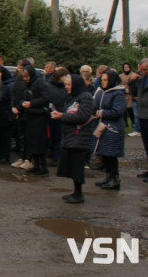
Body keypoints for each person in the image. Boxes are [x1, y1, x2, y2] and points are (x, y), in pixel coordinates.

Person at [51, 75, 96, 204]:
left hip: (79, 137)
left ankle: (79, 194)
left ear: (76, 85)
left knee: (77, 167)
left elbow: (82, 117)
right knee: (72, 166)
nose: (66, 87)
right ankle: (75, 192)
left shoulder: (86, 98)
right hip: (71, 136)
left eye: (69, 84)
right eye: (66, 84)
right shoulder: (74, 97)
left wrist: (62, 116)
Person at [92, 70, 126, 190]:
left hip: (113, 128)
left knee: (111, 155)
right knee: (104, 153)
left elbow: (118, 111)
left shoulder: (118, 94)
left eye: (105, 80)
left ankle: (115, 179)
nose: (103, 82)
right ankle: (108, 177)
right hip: (102, 127)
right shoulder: (102, 92)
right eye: (102, 80)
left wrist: (101, 113)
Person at [135, 58, 148, 183]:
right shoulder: (141, 80)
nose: (142, 72)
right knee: (147, 145)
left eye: (145, 70)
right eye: (141, 70)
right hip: (143, 115)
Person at [120, 62, 140, 136]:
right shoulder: (121, 76)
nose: (126, 68)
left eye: (127, 67)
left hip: (132, 95)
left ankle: (134, 124)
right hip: (124, 93)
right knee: (125, 109)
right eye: (125, 67)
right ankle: (127, 124)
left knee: (132, 110)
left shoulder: (134, 75)